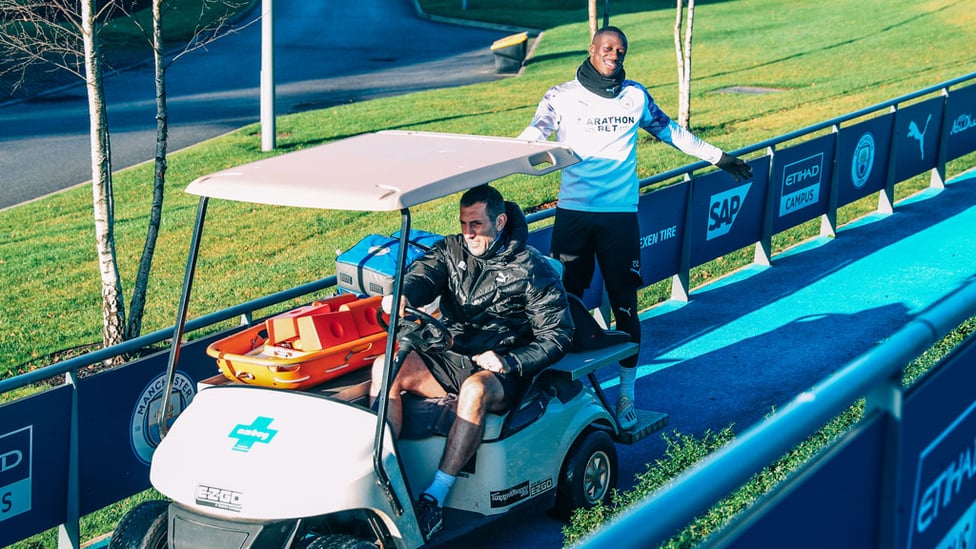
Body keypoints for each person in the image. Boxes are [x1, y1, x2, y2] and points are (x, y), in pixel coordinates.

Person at [517, 26, 752, 431]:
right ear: (592, 49)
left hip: (620, 217)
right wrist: (501, 158)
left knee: (625, 305)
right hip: (573, 214)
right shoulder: (561, 95)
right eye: (607, 48)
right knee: (561, 305)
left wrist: (719, 158)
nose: (614, 55)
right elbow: (535, 132)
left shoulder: (635, 96)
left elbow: (671, 131)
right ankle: (567, 395)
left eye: (620, 50)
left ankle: (627, 393)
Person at [369, 184, 574, 540]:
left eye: (476, 224)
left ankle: (435, 496)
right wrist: (404, 293)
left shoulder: (532, 268)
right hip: (454, 354)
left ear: (500, 220)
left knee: (474, 390)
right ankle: (382, 477)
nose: (468, 233)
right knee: (385, 367)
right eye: (464, 223)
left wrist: (509, 360)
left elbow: (558, 335)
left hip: (505, 367)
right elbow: (423, 275)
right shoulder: (450, 251)